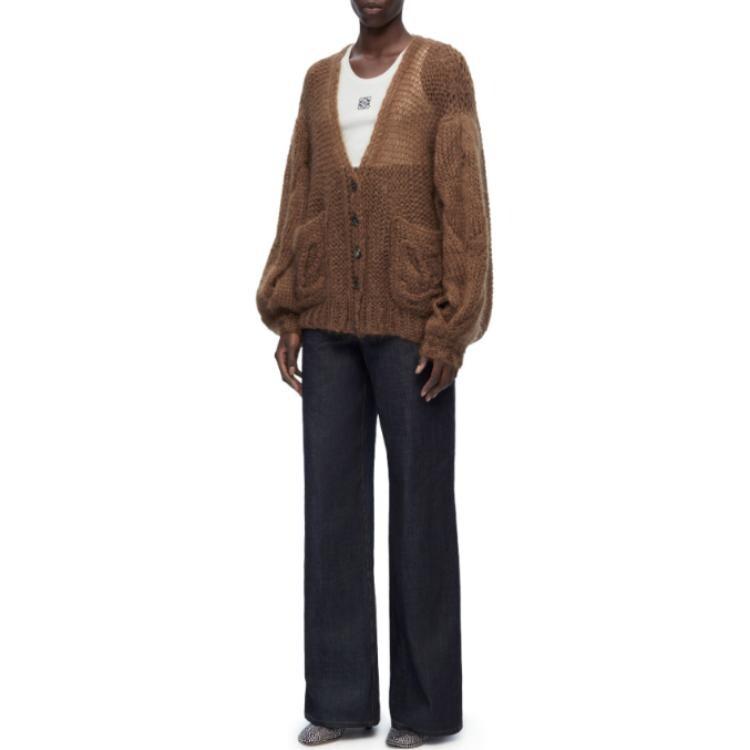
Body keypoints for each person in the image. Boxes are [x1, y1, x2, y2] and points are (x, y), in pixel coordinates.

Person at [255, 1, 492, 746]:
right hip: (327, 321)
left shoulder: (441, 70)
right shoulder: (317, 79)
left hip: (414, 326)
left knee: (421, 511)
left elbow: (464, 200)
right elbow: (299, 192)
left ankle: (425, 709)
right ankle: (339, 701)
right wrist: (287, 308)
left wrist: (452, 326)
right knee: (331, 512)